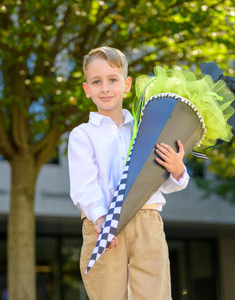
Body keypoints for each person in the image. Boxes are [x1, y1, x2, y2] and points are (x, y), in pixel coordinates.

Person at [67, 46, 190, 300]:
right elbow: (83, 186)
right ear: (87, 89)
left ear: (127, 84)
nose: (105, 88)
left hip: (147, 221)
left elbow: (162, 180)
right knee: (107, 293)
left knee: (154, 293)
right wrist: (103, 221)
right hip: (102, 225)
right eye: (96, 82)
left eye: (113, 80)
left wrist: (178, 170)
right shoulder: (82, 135)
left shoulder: (147, 128)